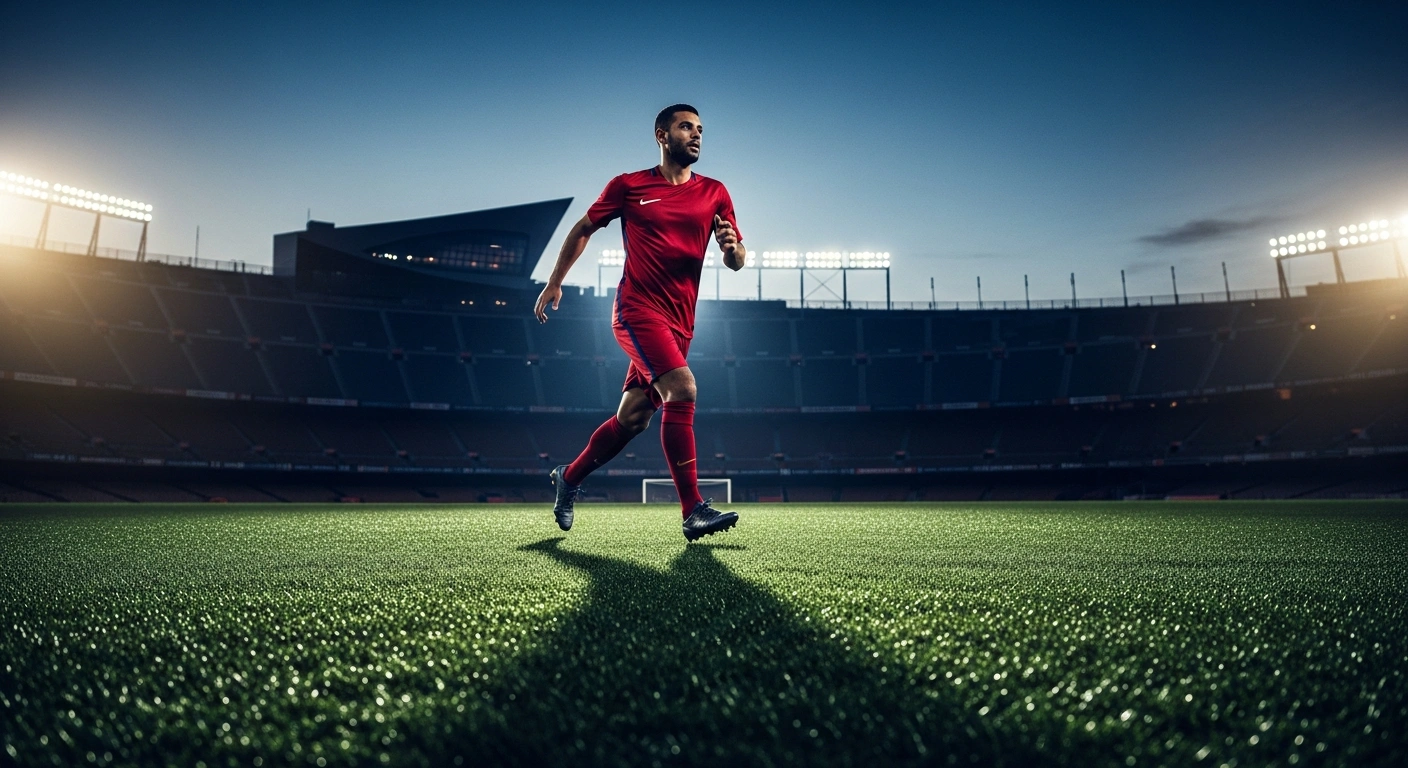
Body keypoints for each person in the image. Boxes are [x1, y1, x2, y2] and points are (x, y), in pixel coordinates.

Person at [533, 103, 745, 542]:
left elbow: (737, 258)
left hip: (681, 323)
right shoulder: (629, 186)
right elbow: (582, 229)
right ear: (661, 135)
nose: (697, 135)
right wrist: (555, 282)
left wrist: (731, 249)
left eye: (701, 129)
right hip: (636, 311)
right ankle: (693, 510)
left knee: (632, 419)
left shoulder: (716, 192)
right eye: (686, 127)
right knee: (682, 389)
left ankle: (568, 478)